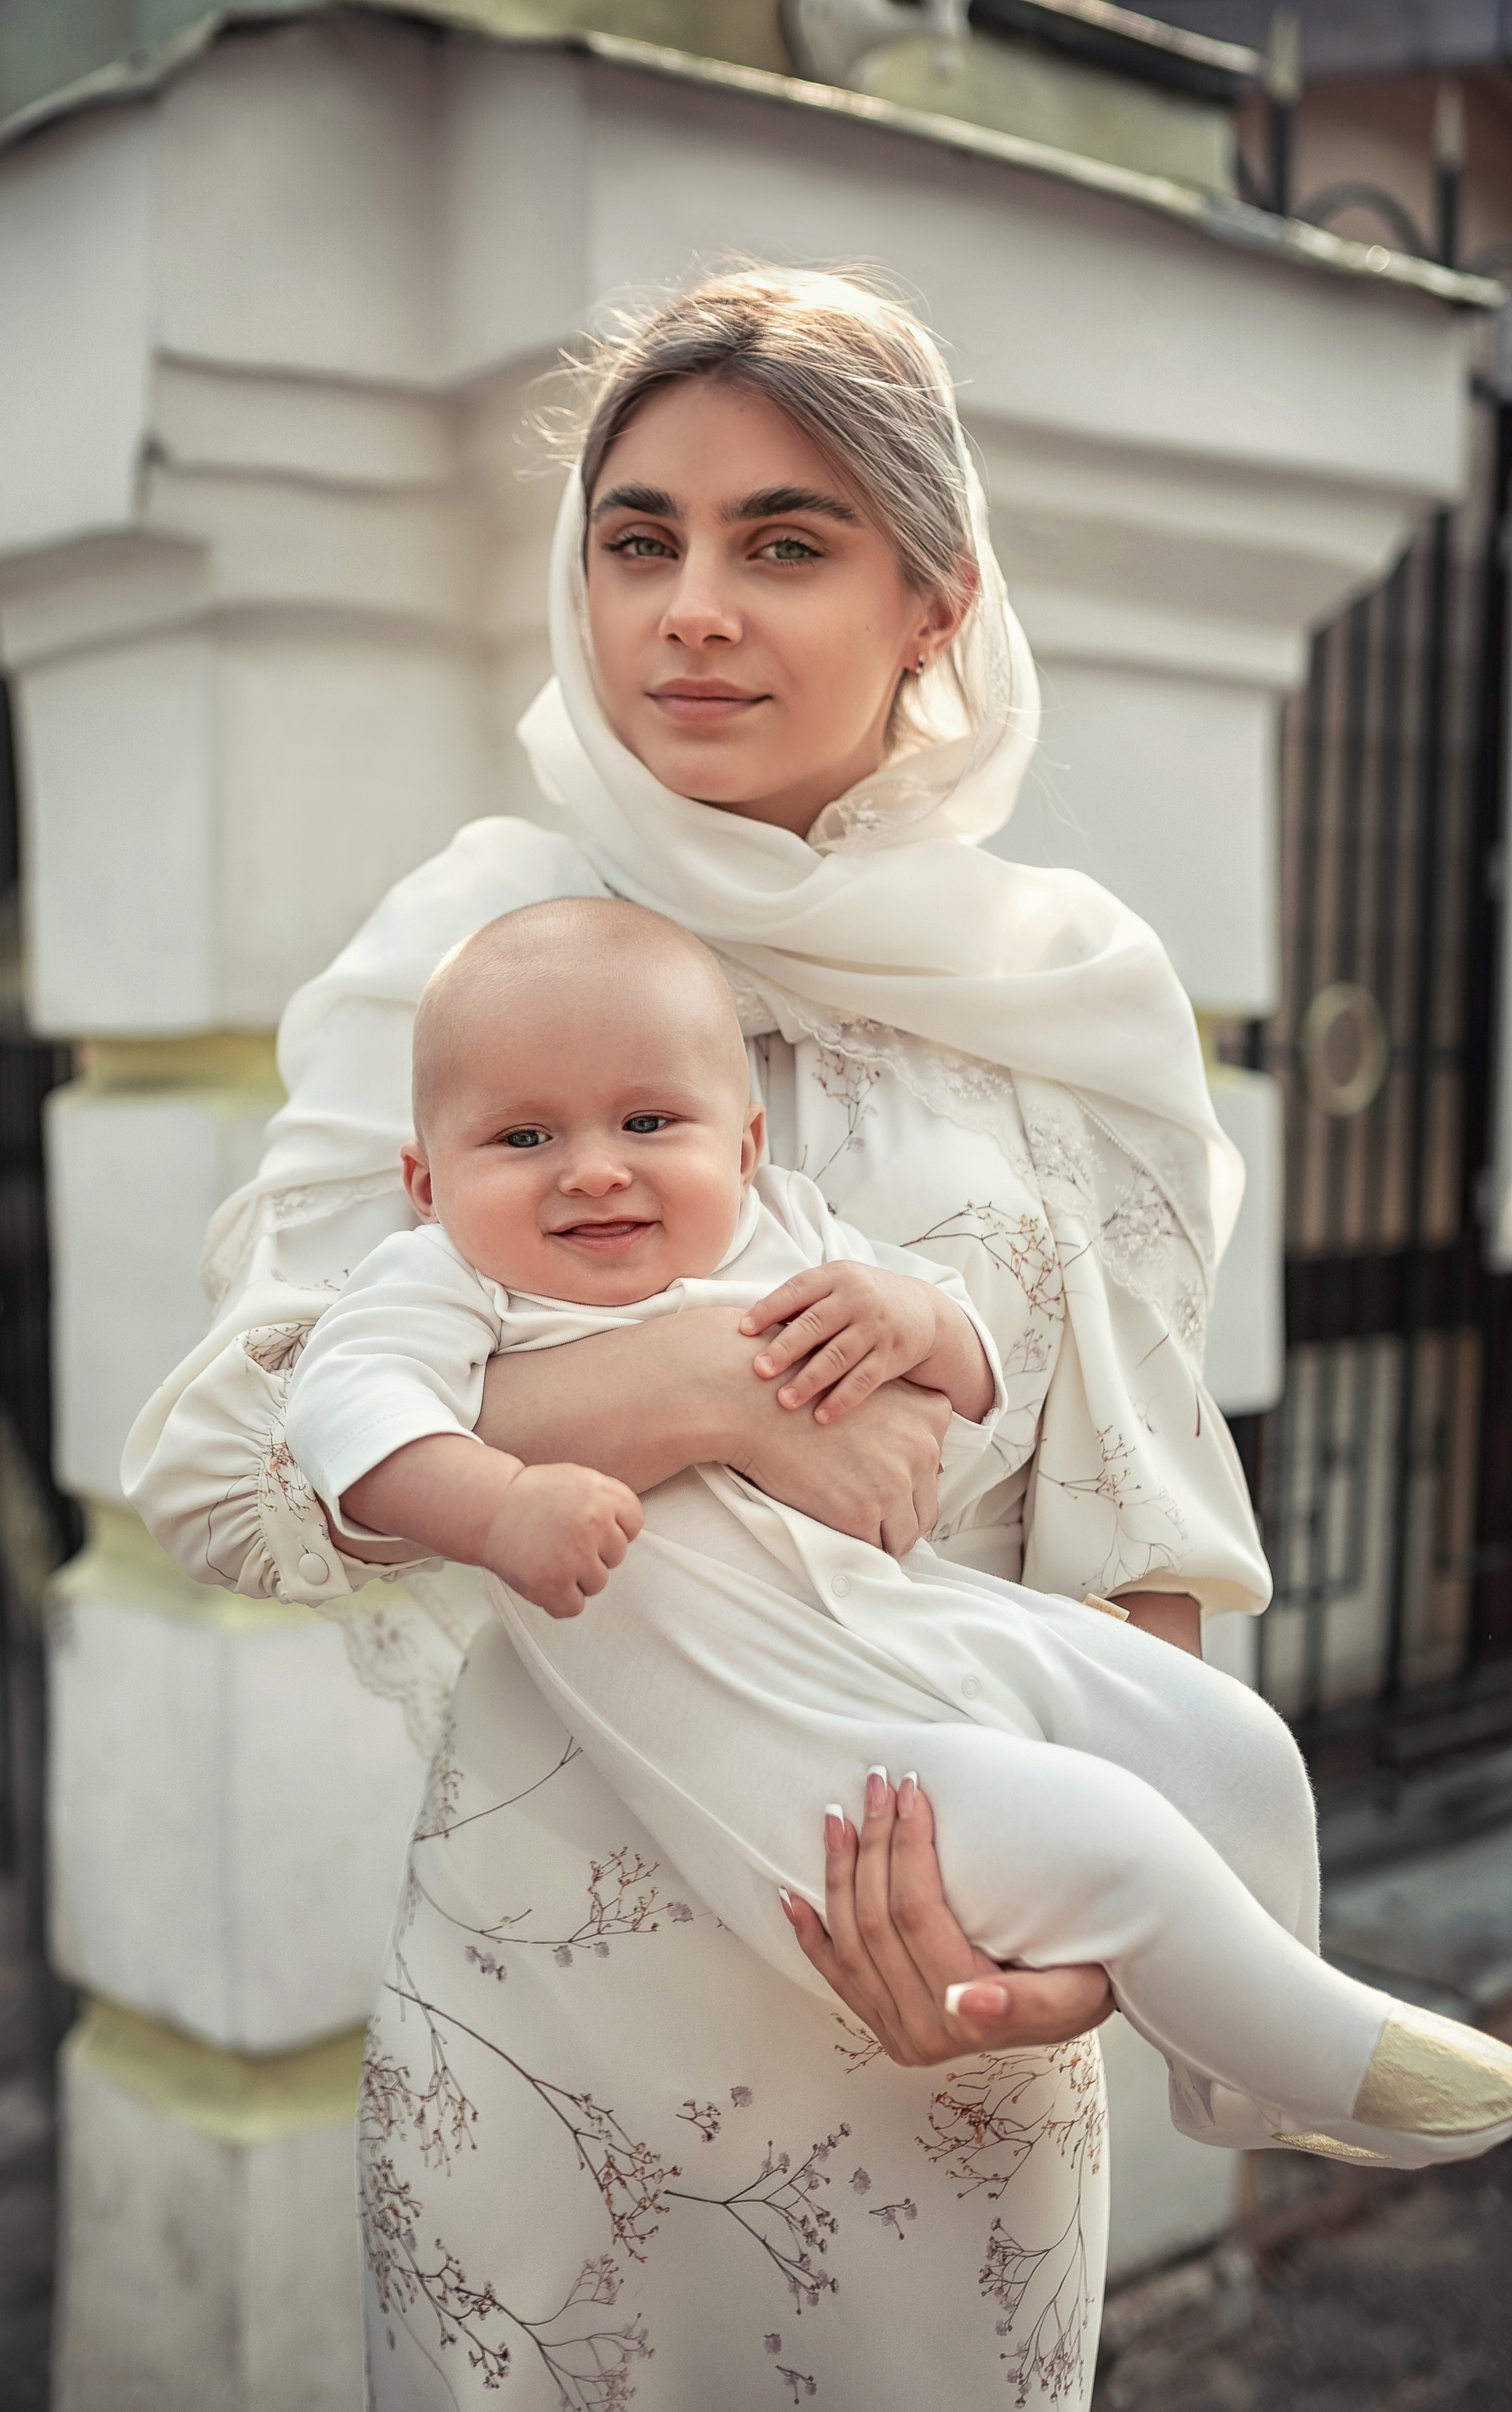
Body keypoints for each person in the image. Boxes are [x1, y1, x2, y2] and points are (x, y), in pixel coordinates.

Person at [126, 265, 1295, 2406]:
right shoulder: (470, 951)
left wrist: (1078, 1982)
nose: (688, 608)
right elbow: (227, 1468)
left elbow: (1142, 1548)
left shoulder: (1065, 997)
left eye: (785, 542)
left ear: (934, 601)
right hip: (546, 2030)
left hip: (934, 1999)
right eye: (638, 537)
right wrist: (692, 1390)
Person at [285, 896, 1512, 2183]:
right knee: (1103, 1839)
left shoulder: (788, 1233)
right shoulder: (442, 1285)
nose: (593, 1168)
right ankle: (1329, 2052)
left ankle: (1241, 2077)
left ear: (745, 1141)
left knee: (1235, 1749)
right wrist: (497, 1501)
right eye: (522, 1136)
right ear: (424, 1182)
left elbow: (981, 1386)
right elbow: (343, 1417)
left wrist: (914, 1323)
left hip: (921, 1628)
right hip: (787, 1751)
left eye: (649, 1122)